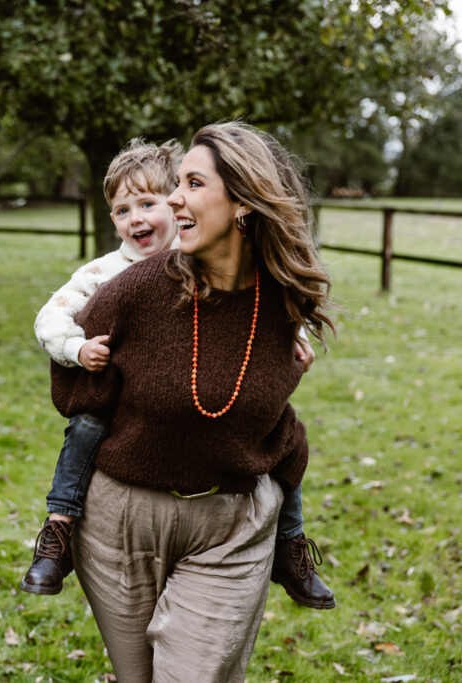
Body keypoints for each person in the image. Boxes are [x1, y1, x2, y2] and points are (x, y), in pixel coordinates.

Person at [51, 121, 335, 680]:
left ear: (243, 203)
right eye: (177, 183)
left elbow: (269, 406)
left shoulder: (283, 302)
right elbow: (72, 387)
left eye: (193, 184)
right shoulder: (133, 288)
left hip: (232, 529)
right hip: (121, 525)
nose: (174, 198)